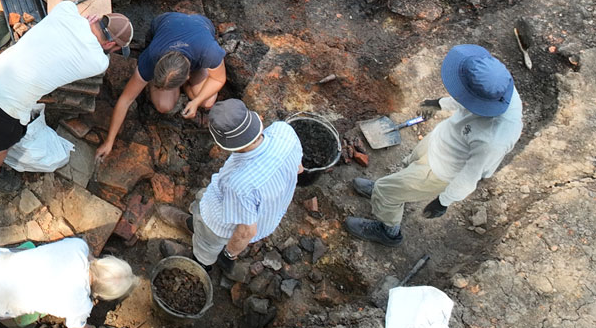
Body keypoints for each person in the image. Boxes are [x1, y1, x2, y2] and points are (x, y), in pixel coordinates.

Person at [0, 1, 133, 181]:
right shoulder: (98, 62)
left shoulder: (66, 10)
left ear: (98, 19)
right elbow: (101, 53)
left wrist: (86, 23)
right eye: (116, 49)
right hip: (9, 106)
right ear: (110, 45)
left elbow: (74, 13)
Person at [345, 46, 523, 246]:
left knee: (387, 193)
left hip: (441, 170)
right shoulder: (500, 88)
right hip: (442, 140)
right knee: (408, 166)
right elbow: (466, 97)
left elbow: (470, 176)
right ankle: (386, 190)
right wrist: (438, 103)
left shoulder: (494, 139)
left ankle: (388, 231)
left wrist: (443, 201)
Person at [97, 10, 227, 159]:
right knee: (163, 106)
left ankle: (186, 89)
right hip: (168, 21)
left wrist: (196, 102)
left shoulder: (208, 51)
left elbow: (219, 79)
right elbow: (125, 100)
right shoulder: (151, 57)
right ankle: (177, 87)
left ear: (188, 76)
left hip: (200, 25)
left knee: (207, 101)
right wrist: (109, 141)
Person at [193, 101, 301, 267]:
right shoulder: (283, 131)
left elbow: (246, 231)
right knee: (200, 202)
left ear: (223, 145)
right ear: (257, 120)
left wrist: (229, 254)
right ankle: (195, 221)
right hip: (268, 216)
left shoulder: (239, 185)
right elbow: (298, 168)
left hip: (219, 226)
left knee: (207, 244)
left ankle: (202, 262)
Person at [0, 238, 135, 328]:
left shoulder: (79, 246)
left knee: (29, 248)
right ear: (104, 294)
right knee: (30, 315)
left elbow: (88, 256)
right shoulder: (81, 306)